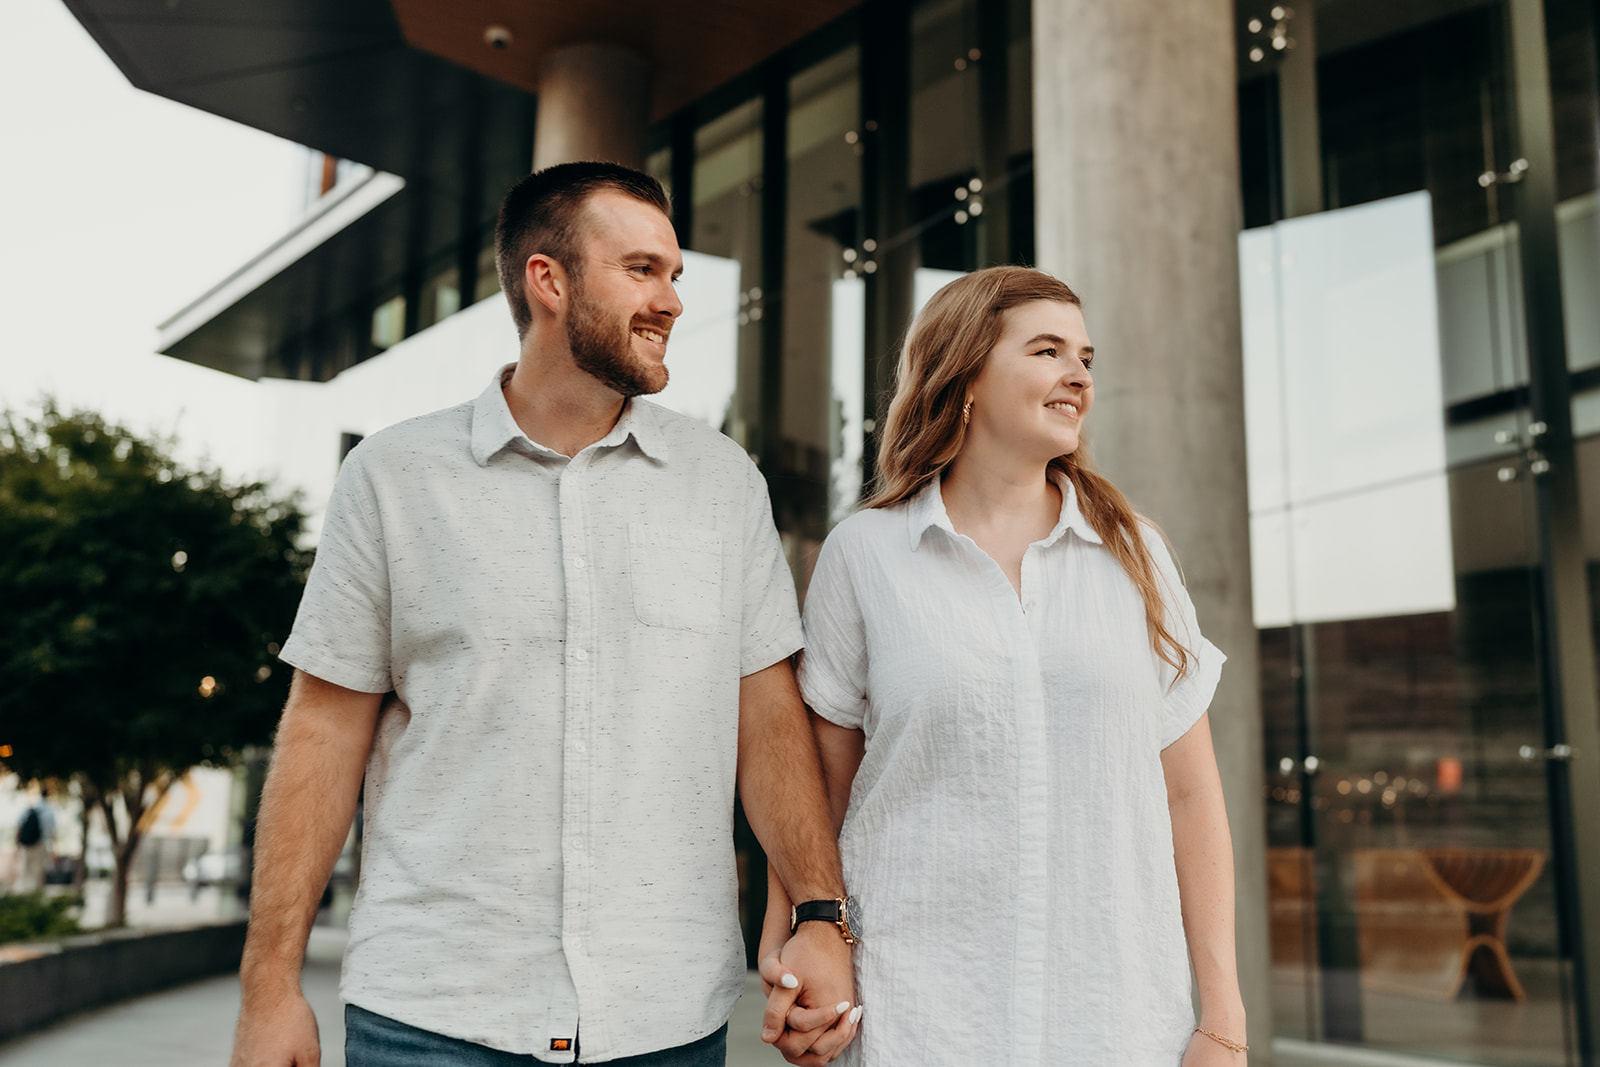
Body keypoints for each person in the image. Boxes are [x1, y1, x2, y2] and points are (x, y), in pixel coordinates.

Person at [230, 162, 859, 1067]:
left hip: (663, 1018)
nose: (672, 299)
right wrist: (269, 987)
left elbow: (767, 718)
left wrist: (818, 912)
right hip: (432, 1015)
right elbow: (323, 733)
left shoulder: (723, 485)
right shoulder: (394, 479)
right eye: (643, 269)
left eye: (676, 274)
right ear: (548, 280)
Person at [763, 266, 1245, 1065]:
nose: (1078, 375)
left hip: (1116, 1016)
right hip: (919, 1016)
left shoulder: (1136, 553)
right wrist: (800, 944)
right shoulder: (866, 554)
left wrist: (1222, 1016)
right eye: (1048, 350)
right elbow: (821, 792)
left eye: (1086, 357)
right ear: (968, 375)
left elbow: (1192, 796)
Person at [12, 784, 56, 893]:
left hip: (26, 843)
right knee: (37, 870)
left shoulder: (30, 809)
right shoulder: (49, 811)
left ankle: (22, 891)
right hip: (40, 843)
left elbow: (19, 827)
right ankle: (34, 892)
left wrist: (17, 844)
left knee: (25, 867)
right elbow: (52, 832)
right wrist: (53, 849)